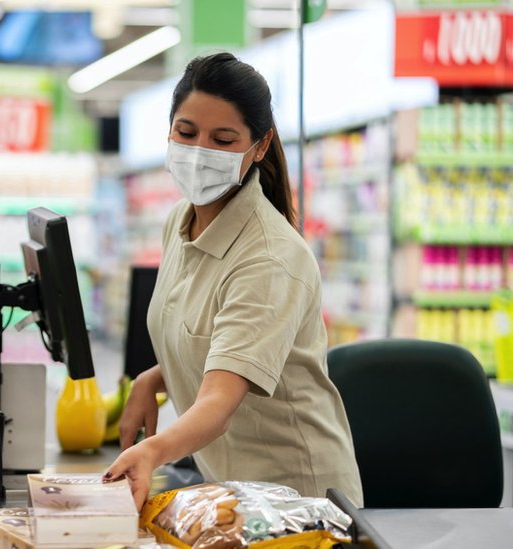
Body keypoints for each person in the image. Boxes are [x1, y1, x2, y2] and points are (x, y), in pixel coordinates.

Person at [103, 53, 363, 510]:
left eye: (223, 140)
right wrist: (155, 378)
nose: (200, 152)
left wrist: (152, 450)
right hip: (234, 493)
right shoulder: (180, 222)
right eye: (186, 133)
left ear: (259, 148)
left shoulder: (269, 257)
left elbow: (220, 401)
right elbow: (217, 340)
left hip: (299, 502)